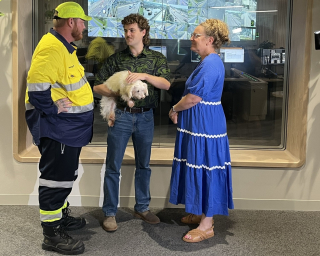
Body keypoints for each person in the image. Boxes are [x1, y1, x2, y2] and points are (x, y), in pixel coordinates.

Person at [25, 2, 93, 254]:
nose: (84, 27)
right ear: (71, 21)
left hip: (69, 130)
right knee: (55, 180)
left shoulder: (65, 48)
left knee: (65, 177)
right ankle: (51, 234)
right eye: (82, 21)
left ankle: (60, 217)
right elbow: (36, 90)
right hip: (58, 128)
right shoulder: (52, 48)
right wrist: (53, 108)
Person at [93, 13, 170, 232]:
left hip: (146, 117)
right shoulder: (117, 59)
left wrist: (143, 75)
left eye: (132, 30)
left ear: (143, 32)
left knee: (144, 165)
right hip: (122, 116)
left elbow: (165, 84)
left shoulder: (156, 59)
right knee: (112, 166)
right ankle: (109, 213)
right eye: (125, 30)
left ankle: (142, 208)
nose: (127, 34)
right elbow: (97, 87)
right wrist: (119, 91)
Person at [168, 19, 234, 243]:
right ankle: (200, 212)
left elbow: (194, 98)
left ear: (210, 40)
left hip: (206, 125)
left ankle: (207, 225)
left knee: (207, 168)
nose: (191, 38)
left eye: (196, 35)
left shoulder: (211, 64)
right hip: (201, 124)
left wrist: (174, 108)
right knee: (200, 165)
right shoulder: (208, 62)